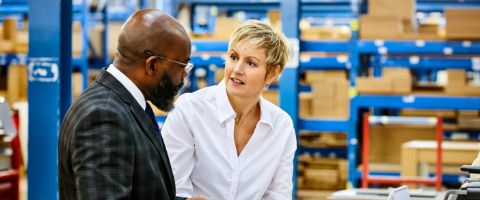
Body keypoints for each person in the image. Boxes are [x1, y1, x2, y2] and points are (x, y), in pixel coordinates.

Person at [58, 9, 203, 200]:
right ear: (152, 65)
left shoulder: (127, 105)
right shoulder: (105, 117)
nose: (184, 75)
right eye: (181, 66)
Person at [162, 20, 296, 200]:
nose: (237, 69)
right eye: (233, 57)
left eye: (251, 63)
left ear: (272, 74)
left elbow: (278, 194)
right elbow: (172, 191)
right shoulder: (189, 110)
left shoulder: (281, 126)